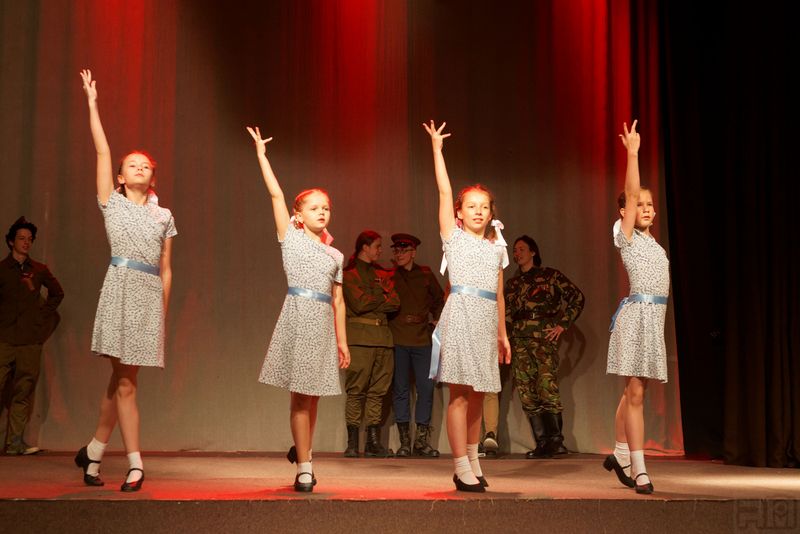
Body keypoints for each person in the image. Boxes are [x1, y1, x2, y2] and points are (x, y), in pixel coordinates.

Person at [75, 69, 177, 492]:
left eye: (145, 166)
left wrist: (161, 313)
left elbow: (166, 269)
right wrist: (92, 104)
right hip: (119, 289)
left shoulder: (164, 216)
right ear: (120, 176)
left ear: (153, 177)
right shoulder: (111, 204)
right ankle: (135, 464)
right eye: (131, 165)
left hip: (147, 297)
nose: (139, 168)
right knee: (125, 382)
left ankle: (94, 452)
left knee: (120, 380)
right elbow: (102, 150)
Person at [247, 127, 350, 493]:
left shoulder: (335, 255)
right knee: (301, 396)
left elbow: (338, 301)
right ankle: (305, 467)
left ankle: (303, 449)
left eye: (326, 208)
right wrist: (262, 156)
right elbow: (275, 194)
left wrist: (342, 342)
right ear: (299, 214)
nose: (321, 212)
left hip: (321, 324)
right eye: (314, 207)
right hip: (297, 317)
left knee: (314, 394)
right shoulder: (290, 238)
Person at [423, 120, 511, 492]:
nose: (478, 211)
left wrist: (502, 334)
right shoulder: (454, 239)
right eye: (471, 206)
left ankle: (473, 459)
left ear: (491, 213)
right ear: (460, 213)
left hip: (485, 322)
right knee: (459, 394)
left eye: (484, 207)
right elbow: (444, 191)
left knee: (479, 393)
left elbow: (499, 295)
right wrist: (437, 150)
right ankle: (460, 466)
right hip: (460, 317)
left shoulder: (496, 248)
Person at [603, 120, 669, 495]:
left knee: (633, 393)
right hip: (635, 318)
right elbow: (630, 192)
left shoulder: (654, 244)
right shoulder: (624, 235)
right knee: (637, 394)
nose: (644, 208)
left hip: (653, 320)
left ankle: (619, 452)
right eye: (637, 204)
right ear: (625, 211)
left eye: (649, 204)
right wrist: (633, 154)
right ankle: (640, 469)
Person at [505, 235, 584, 458]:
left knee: (546, 387)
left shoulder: (550, 276)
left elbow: (577, 298)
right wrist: (506, 339)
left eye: (522, 249)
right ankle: (542, 443)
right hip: (519, 341)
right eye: (515, 250)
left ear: (533, 252)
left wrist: (562, 324)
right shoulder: (512, 284)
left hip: (542, 340)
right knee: (527, 392)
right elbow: (507, 314)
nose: (517, 253)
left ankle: (556, 442)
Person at [0, 217, 64, 455]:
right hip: (4, 340)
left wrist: (40, 316)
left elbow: (57, 294)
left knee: (23, 392)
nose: (26, 242)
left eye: (29, 239)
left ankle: (14, 444)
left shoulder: (39, 270)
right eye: (21, 238)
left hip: (29, 341)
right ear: (11, 241)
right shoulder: (1, 270)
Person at [342, 231, 400, 458]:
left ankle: (372, 443)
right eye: (377, 246)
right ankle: (352, 443)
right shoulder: (349, 275)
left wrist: (375, 297)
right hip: (360, 339)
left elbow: (395, 302)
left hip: (383, 339)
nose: (380, 250)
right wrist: (381, 294)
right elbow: (358, 304)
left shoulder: (382, 274)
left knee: (378, 391)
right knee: (356, 391)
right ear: (364, 248)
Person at [387, 233, 444, 458]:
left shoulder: (426, 274)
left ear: (413, 252)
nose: (399, 254)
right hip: (398, 337)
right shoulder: (391, 276)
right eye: (396, 250)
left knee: (426, 389)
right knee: (400, 389)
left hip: (422, 338)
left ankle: (421, 442)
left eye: (404, 250)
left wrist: (436, 320)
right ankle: (404, 443)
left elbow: (439, 300)